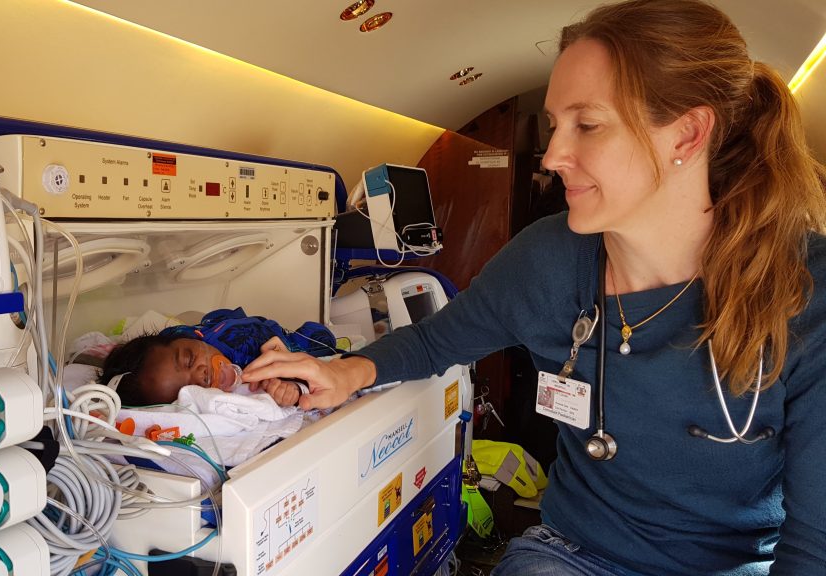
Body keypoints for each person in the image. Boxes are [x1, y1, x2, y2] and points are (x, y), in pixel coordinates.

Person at [242, 0, 826, 573]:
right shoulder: (548, 258)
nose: (553, 155)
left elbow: (814, 547)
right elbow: (432, 343)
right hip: (573, 554)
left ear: (688, 134)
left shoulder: (807, 291)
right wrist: (343, 373)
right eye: (553, 125)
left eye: (587, 125)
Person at [100, 307, 337, 407]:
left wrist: (291, 372)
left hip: (277, 337)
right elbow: (295, 381)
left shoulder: (238, 349)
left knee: (322, 340)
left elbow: (303, 365)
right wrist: (292, 389)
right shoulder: (250, 381)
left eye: (190, 360)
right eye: (189, 389)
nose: (201, 375)